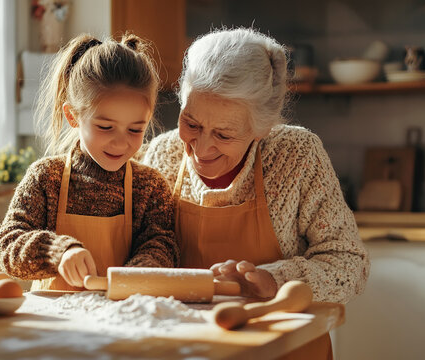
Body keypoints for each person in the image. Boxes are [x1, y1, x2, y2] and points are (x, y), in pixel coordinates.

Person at [142, 28, 369, 359]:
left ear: (262, 128)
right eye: (191, 123)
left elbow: (349, 266)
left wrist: (272, 280)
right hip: (192, 349)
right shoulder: (163, 154)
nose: (201, 148)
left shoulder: (297, 155)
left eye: (223, 134)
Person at [0, 34, 179, 291]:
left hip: (122, 315)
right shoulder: (46, 177)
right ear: (72, 116)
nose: (120, 142)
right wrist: (57, 252)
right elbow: (8, 244)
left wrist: (141, 270)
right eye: (105, 127)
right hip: (57, 323)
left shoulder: (150, 186)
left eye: (135, 129)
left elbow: (162, 245)